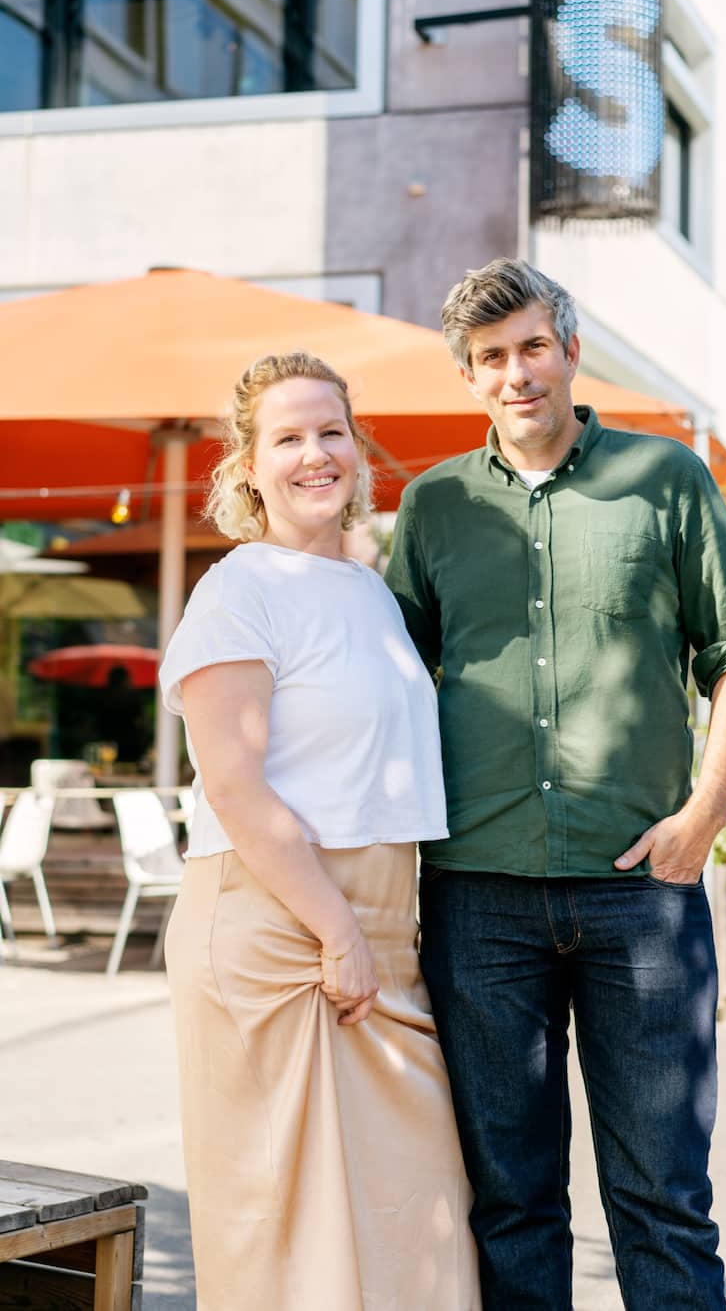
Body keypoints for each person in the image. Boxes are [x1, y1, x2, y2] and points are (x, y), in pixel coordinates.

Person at [385, 258, 726, 1311]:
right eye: (488, 360)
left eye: (529, 348)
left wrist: (705, 814)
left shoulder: (667, 479)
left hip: (640, 890)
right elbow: (383, 681)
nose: (514, 375)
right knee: (510, 1201)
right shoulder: (431, 507)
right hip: (476, 891)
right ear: (469, 380)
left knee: (662, 1200)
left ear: (569, 350)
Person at [158, 351, 480, 1311]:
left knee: (419, 1226)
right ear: (247, 467)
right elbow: (233, 784)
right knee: (287, 1242)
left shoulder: (372, 590)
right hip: (280, 931)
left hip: (381, 932)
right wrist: (336, 931)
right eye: (287, 437)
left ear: (358, 448)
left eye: (331, 431)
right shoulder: (238, 590)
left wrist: (367, 935)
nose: (314, 455)